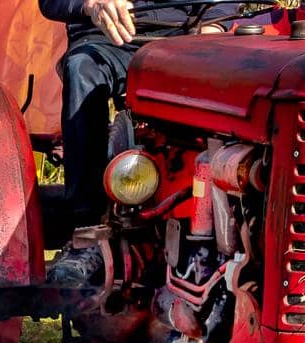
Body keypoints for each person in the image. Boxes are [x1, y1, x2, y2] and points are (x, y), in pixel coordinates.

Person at [38, 0, 241, 284]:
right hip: (108, 40)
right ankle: (87, 231)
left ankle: (231, 225)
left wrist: (215, 25)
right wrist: (92, 4)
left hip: (185, 38)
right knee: (82, 67)